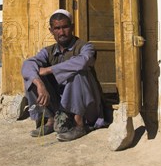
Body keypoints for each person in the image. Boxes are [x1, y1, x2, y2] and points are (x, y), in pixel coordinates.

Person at [21, 9, 105, 141]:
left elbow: (83, 61)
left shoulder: (85, 47)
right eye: (57, 28)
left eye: (65, 27)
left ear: (72, 27)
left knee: (78, 72)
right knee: (32, 76)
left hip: (86, 105)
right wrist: (39, 83)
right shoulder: (48, 51)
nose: (61, 32)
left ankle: (79, 125)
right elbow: (28, 64)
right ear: (51, 31)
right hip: (59, 105)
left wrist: (49, 69)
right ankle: (50, 120)